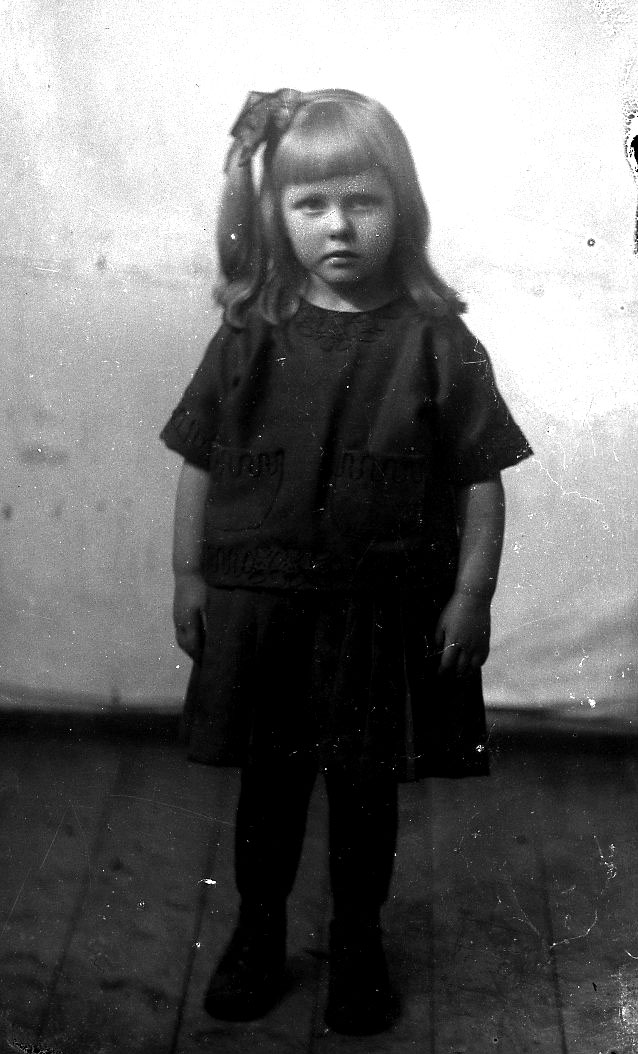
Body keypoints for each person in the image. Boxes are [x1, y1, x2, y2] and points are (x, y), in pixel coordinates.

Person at [160, 88, 533, 1036]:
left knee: (365, 795)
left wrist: (473, 593)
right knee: (270, 789)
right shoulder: (250, 334)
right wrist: (189, 576)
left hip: (378, 612)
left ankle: (358, 941)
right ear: (277, 214)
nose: (337, 225)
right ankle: (257, 931)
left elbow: (481, 480)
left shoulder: (439, 341)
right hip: (264, 610)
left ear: (403, 205)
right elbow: (200, 462)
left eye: (362, 200)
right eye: (311, 203)